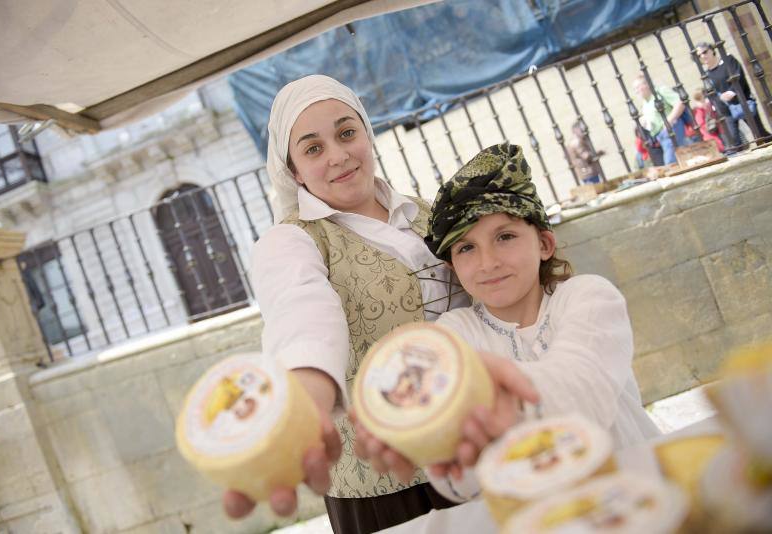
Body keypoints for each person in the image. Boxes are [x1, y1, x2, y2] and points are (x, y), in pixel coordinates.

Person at [222, 74, 477, 534]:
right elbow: (302, 312)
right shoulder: (291, 242)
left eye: (346, 133)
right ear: (294, 171)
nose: (338, 155)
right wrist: (307, 397)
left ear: (366, 133)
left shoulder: (422, 213)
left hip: (471, 438)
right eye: (313, 148)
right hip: (385, 480)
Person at [355, 142, 660, 501]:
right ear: (452, 265)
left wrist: (483, 391)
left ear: (545, 243)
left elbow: (583, 390)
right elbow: (460, 483)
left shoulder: (589, 298)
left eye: (505, 237)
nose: (488, 262)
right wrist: (436, 443)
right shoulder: (455, 334)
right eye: (466, 248)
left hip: (638, 496)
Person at [696, 41, 770, 148]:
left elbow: (738, 75)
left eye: (705, 52)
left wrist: (732, 91)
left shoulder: (728, 60)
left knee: (760, 133)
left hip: (742, 102)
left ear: (712, 50)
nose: (703, 56)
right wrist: (720, 97)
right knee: (734, 143)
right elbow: (711, 93)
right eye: (699, 55)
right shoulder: (706, 75)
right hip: (726, 111)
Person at [633, 73, 691, 165]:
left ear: (646, 85)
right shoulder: (644, 103)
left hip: (671, 130)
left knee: (671, 162)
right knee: (676, 162)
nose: (636, 91)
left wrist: (669, 120)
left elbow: (680, 102)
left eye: (637, 88)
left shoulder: (660, 91)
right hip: (659, 138)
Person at [688, 88, 724, 152]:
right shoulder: (698, 109)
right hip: (707, 130)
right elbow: (700, 122)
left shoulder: (707, 104)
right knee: (715, 143)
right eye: (704, 95)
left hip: (713, 127)